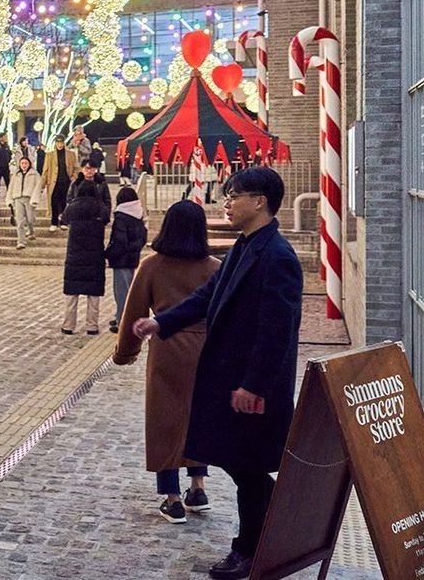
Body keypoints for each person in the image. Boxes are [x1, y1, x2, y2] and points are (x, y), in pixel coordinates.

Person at [132, 167, 302, 580]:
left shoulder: (277, 256)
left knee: (247, 467)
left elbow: (276, 332)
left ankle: (249, 552)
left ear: (259, 202)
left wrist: (254, 386)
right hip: (230, 380)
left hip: (252, 387)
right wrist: (161, 322)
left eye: (234, 196)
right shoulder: (245, 246)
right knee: (239, 463)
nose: (226, 203)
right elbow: (207, 296)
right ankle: (279, 527)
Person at [114, 201, 219, 525]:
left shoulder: (152, 266)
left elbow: (133, 315)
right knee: (198, 418)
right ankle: (198, 487)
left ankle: (172, 498)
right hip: (206, 350)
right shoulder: (215, 267)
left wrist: (125, 354)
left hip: (167, 350)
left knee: (165, 422)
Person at [61, 181, 108, 335]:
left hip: (75, 255)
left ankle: (68, 325)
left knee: (72, 292)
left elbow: (64, 219)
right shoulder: (100, 207)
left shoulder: (72, 206)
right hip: (95, 255)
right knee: (93, 293)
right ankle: (92, 325)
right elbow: (106, 219)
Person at [105, 186, 147, 333]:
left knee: (121, 292)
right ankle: (120, 315)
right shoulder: (138, 214)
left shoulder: (121, 217)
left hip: (121, 259)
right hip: (132, 258)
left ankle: (122, 321)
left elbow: (119, 241)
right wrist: (134, 249)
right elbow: (142, 237)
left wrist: (109, 253)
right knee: (128, 289)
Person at [41, 137, 78, 229]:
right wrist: (42, 184)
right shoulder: (49, 155)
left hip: (66, 181)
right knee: (54, 201)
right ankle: (54, 222)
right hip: (53, 182)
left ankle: (64, 222)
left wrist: (73, 177)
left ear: (64, 143)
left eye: (61, 143)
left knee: (65, 201)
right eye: (58, 143)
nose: (60, 145)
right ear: (55, 143)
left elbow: (76, 168)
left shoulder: (71, 154)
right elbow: (45, 170)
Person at [9, 156, 40, 250]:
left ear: (29, 164)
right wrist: (9, 199)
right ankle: (21, 241)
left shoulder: (34, 174)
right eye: (22, 163)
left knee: (30, 218)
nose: (24, 165)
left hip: (29, 198)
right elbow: (11, 187)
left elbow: (38, 186)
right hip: (18, 198)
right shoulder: (16, 174)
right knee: (20, 221)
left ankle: (31, 231)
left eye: (26, 163)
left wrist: (35, 198)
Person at [0, 134, 13, 201]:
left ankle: (9, 193)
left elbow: (10, 154)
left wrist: (8, 160)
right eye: (4, 137)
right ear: (1, 138)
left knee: (7, 180)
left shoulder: (7, 146)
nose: (6, 138)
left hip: (6, 166)